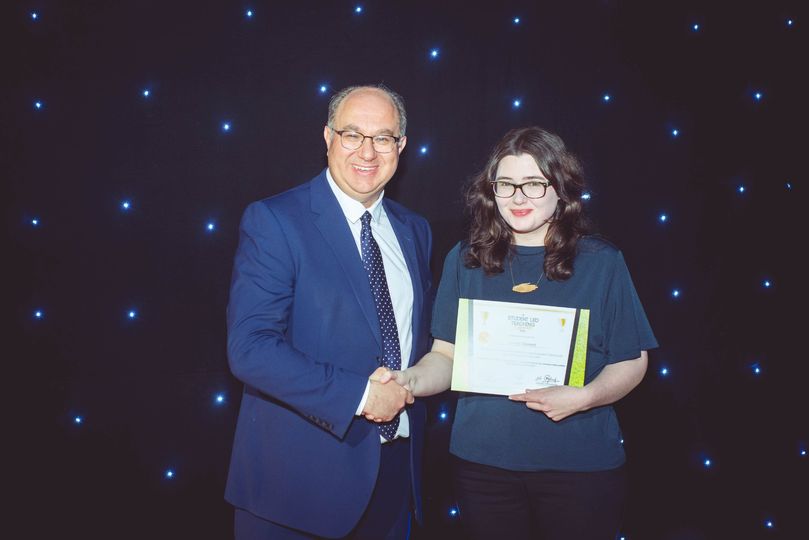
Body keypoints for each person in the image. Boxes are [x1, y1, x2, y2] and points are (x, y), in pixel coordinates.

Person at [381, 126, 658, 539]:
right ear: (490, 192)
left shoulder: (601, 262)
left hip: (579, 465)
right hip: (483, 466)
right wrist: (409, 380)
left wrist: (583, 398)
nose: (518, 197)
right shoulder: (465, 259)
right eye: (506, 185)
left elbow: (632, 359)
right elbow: (446, 355)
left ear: (560, 189)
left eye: (533, 183)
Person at [225, 84, 433, 539]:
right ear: (327, 137)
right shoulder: (275, 220)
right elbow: (250, 349)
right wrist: (360, 395)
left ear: (401, 146)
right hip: (295, 490)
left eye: (382, 138)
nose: (367, 151)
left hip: (394, 481)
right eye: (352, 134)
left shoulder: (415, 230)